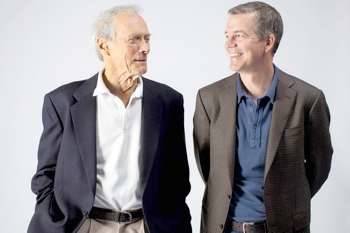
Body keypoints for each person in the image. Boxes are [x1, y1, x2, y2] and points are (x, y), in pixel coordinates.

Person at [28, 6, 191, 233]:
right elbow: (45, 176)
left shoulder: (168, 101)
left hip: (145, 226)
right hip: (83, 225)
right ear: (104, 45)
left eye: (147, 39)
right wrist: (54, 220)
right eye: (135, 39)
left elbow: (178, 178)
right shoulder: (63, 102)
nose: (146, 48)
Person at [193, 2, 333, 233]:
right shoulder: (209, 98)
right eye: (227, 35)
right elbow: (209, 167)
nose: (229, 44)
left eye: (238, 35)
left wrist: (288, 203)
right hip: (223, 228)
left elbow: (320, 166)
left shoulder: (309, 99)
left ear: (268, 42)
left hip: (286, 227)